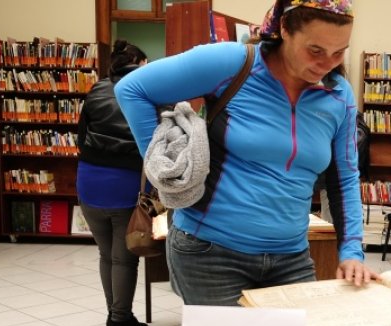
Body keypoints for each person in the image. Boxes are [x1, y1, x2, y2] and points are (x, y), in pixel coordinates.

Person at [116, 0, 376, 306]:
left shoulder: (338, 94)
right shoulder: (234, 64)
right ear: (284, 30)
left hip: (291, 257)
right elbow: (131, 90)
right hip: (210, 253)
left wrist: (351, 251)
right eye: (315, 50)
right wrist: (164, 170)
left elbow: (344, 177)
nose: (327, 63)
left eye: (339, 52)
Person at [76, 40, 150, 326]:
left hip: (89, 181)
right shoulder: (146, 91)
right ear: (138, 63)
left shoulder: (96, 89)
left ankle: (117, 316)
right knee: (125, 260)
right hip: (125, 184)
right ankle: (120, 325)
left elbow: (81, 136)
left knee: (107, 256)